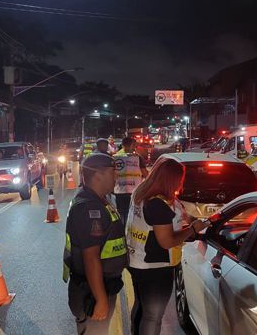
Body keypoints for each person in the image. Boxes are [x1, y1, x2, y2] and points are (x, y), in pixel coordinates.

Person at [126, 158, 210, 334]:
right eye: (179, 180)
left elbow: (181, 213)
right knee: (153, 316)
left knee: (142, 306)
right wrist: (192, 230)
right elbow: (167, 241)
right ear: (171, 180)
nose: (181, 183)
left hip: (137, 261)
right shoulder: (157, 205)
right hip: (155, 266)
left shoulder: (143, 192)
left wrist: (194, 221)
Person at [63, 153, 127, 335]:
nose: (116, 177)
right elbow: (91, 258)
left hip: (100, 286)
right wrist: (100, 299)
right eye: (113, 172)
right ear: (98, 174)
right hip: (92, 291)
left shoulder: (98, 200)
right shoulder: (89, 208)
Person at [113, 137, 149, 223]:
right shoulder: (137, 158)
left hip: (119, 191)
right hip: (134, 191)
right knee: (132, 214)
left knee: (121, 213)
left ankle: (122, 230)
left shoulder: (114, 157)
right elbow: (145, 174)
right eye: (134, 146)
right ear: (131, 145)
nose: (134, 148)